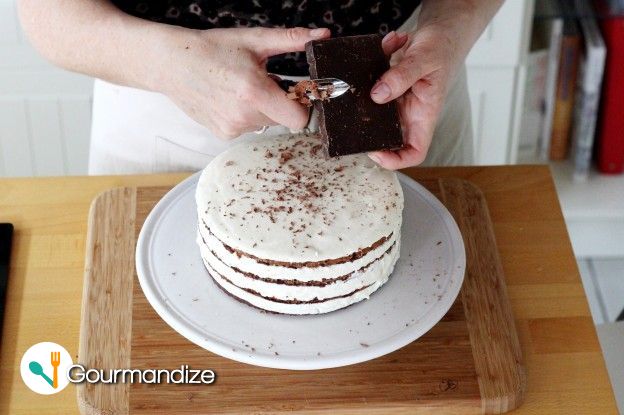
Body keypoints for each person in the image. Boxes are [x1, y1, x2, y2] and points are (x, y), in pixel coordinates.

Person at [18, 0, 502, 174]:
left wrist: (451, 30)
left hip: (405, 91)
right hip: (170, 106)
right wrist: (167, 66)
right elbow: (47, 14)